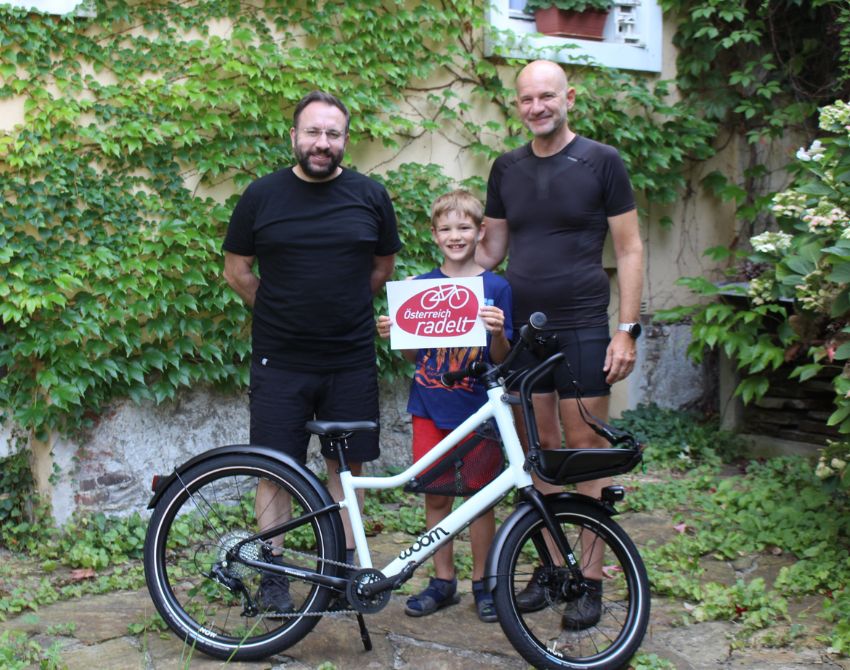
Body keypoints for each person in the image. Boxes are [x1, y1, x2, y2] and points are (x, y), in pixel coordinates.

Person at [476, 60, 644, 629]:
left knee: (584, 447)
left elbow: (630, 250)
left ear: (568, 97)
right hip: (525, 331)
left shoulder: (602, 161)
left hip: (582, 325)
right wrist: (435, 292)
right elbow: (488, 250)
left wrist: (626, 329)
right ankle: (551, 566)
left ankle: (590, 579)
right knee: (538, 450)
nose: (537, 107)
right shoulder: (506, 168)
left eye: (546, 96)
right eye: (526, 99)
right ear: (517, 105)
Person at [222, 90, 402, 615]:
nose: (323, 143)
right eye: (313, 132)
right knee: (275, 468)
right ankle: (273, 574)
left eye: (334, 134)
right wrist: (279, 310)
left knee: (347, 467)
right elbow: (237, 270)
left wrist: (342, 310)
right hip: (280, 359)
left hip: (350, 359)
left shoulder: (371, 195)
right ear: (294, 136)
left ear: (345, 140)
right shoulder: (261, 196)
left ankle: (342, 572)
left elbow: (382, 267)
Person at [377, 190, 512, 623]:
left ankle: (484, 584)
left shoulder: (496, 287)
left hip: (479, 410)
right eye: (447, 229)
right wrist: (397, 334)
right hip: (429, 406)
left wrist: (496, 332)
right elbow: (415, 359)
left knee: (480, 500)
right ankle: (443, 581)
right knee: (435, 499)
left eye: (464, 228)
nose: (456, 236)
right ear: (434, 235)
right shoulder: (417, 288)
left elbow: (503, 359)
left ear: (480, 231)